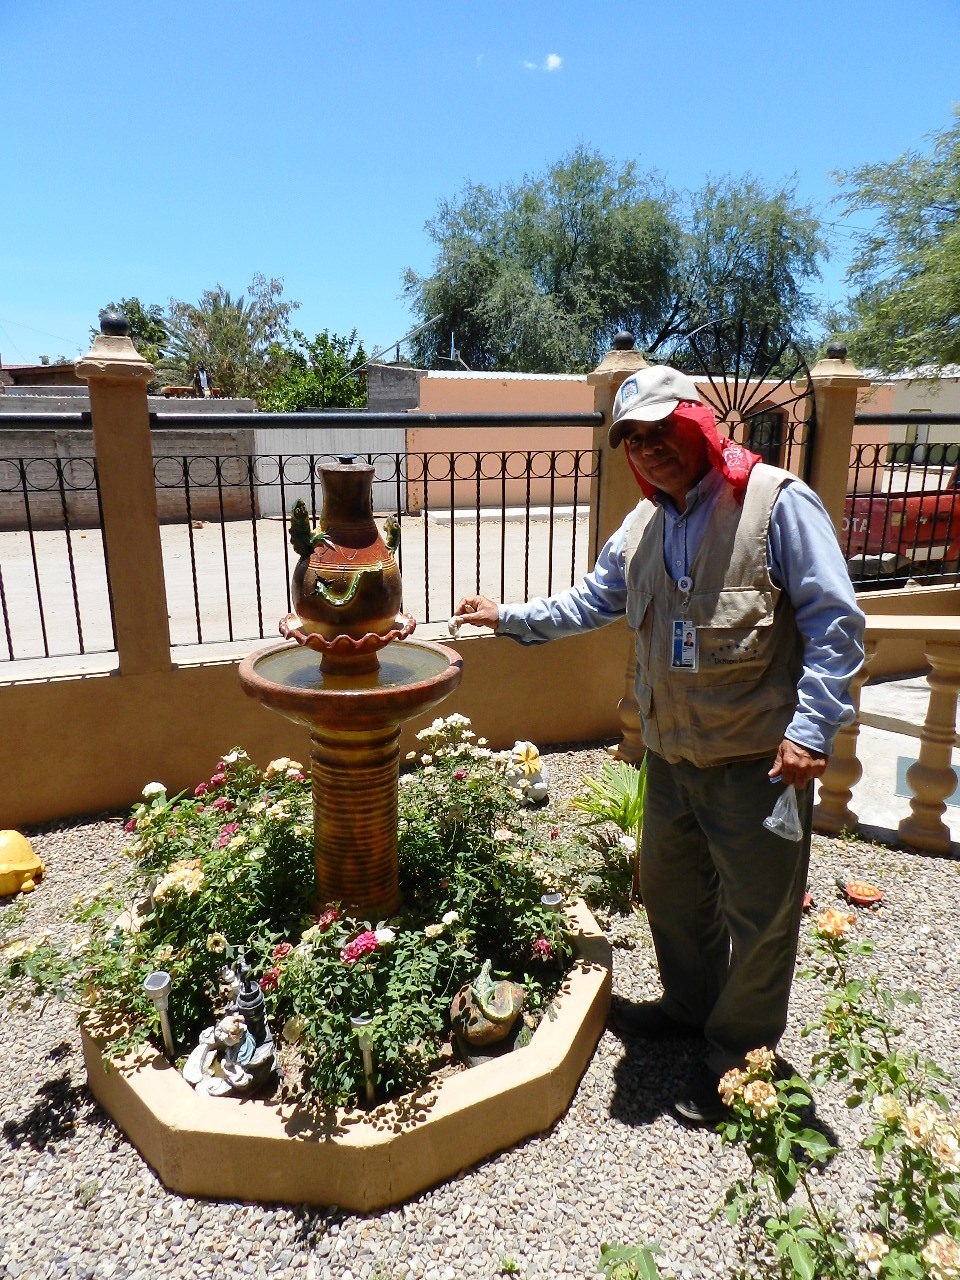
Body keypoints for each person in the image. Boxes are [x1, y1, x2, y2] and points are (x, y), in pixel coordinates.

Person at [453, 364, 865, 1125]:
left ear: (700, 427)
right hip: (673, 759)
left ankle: (740, 1057)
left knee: (762, 917)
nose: (651, 450)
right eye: (634, 441)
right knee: (673, 899)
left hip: (758, 765)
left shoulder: (776, 504)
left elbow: (835, 626)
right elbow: (591, 600)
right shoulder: (643, 526)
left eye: (663, 432)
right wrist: (506, 616)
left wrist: (812, 730)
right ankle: (688, 1005)